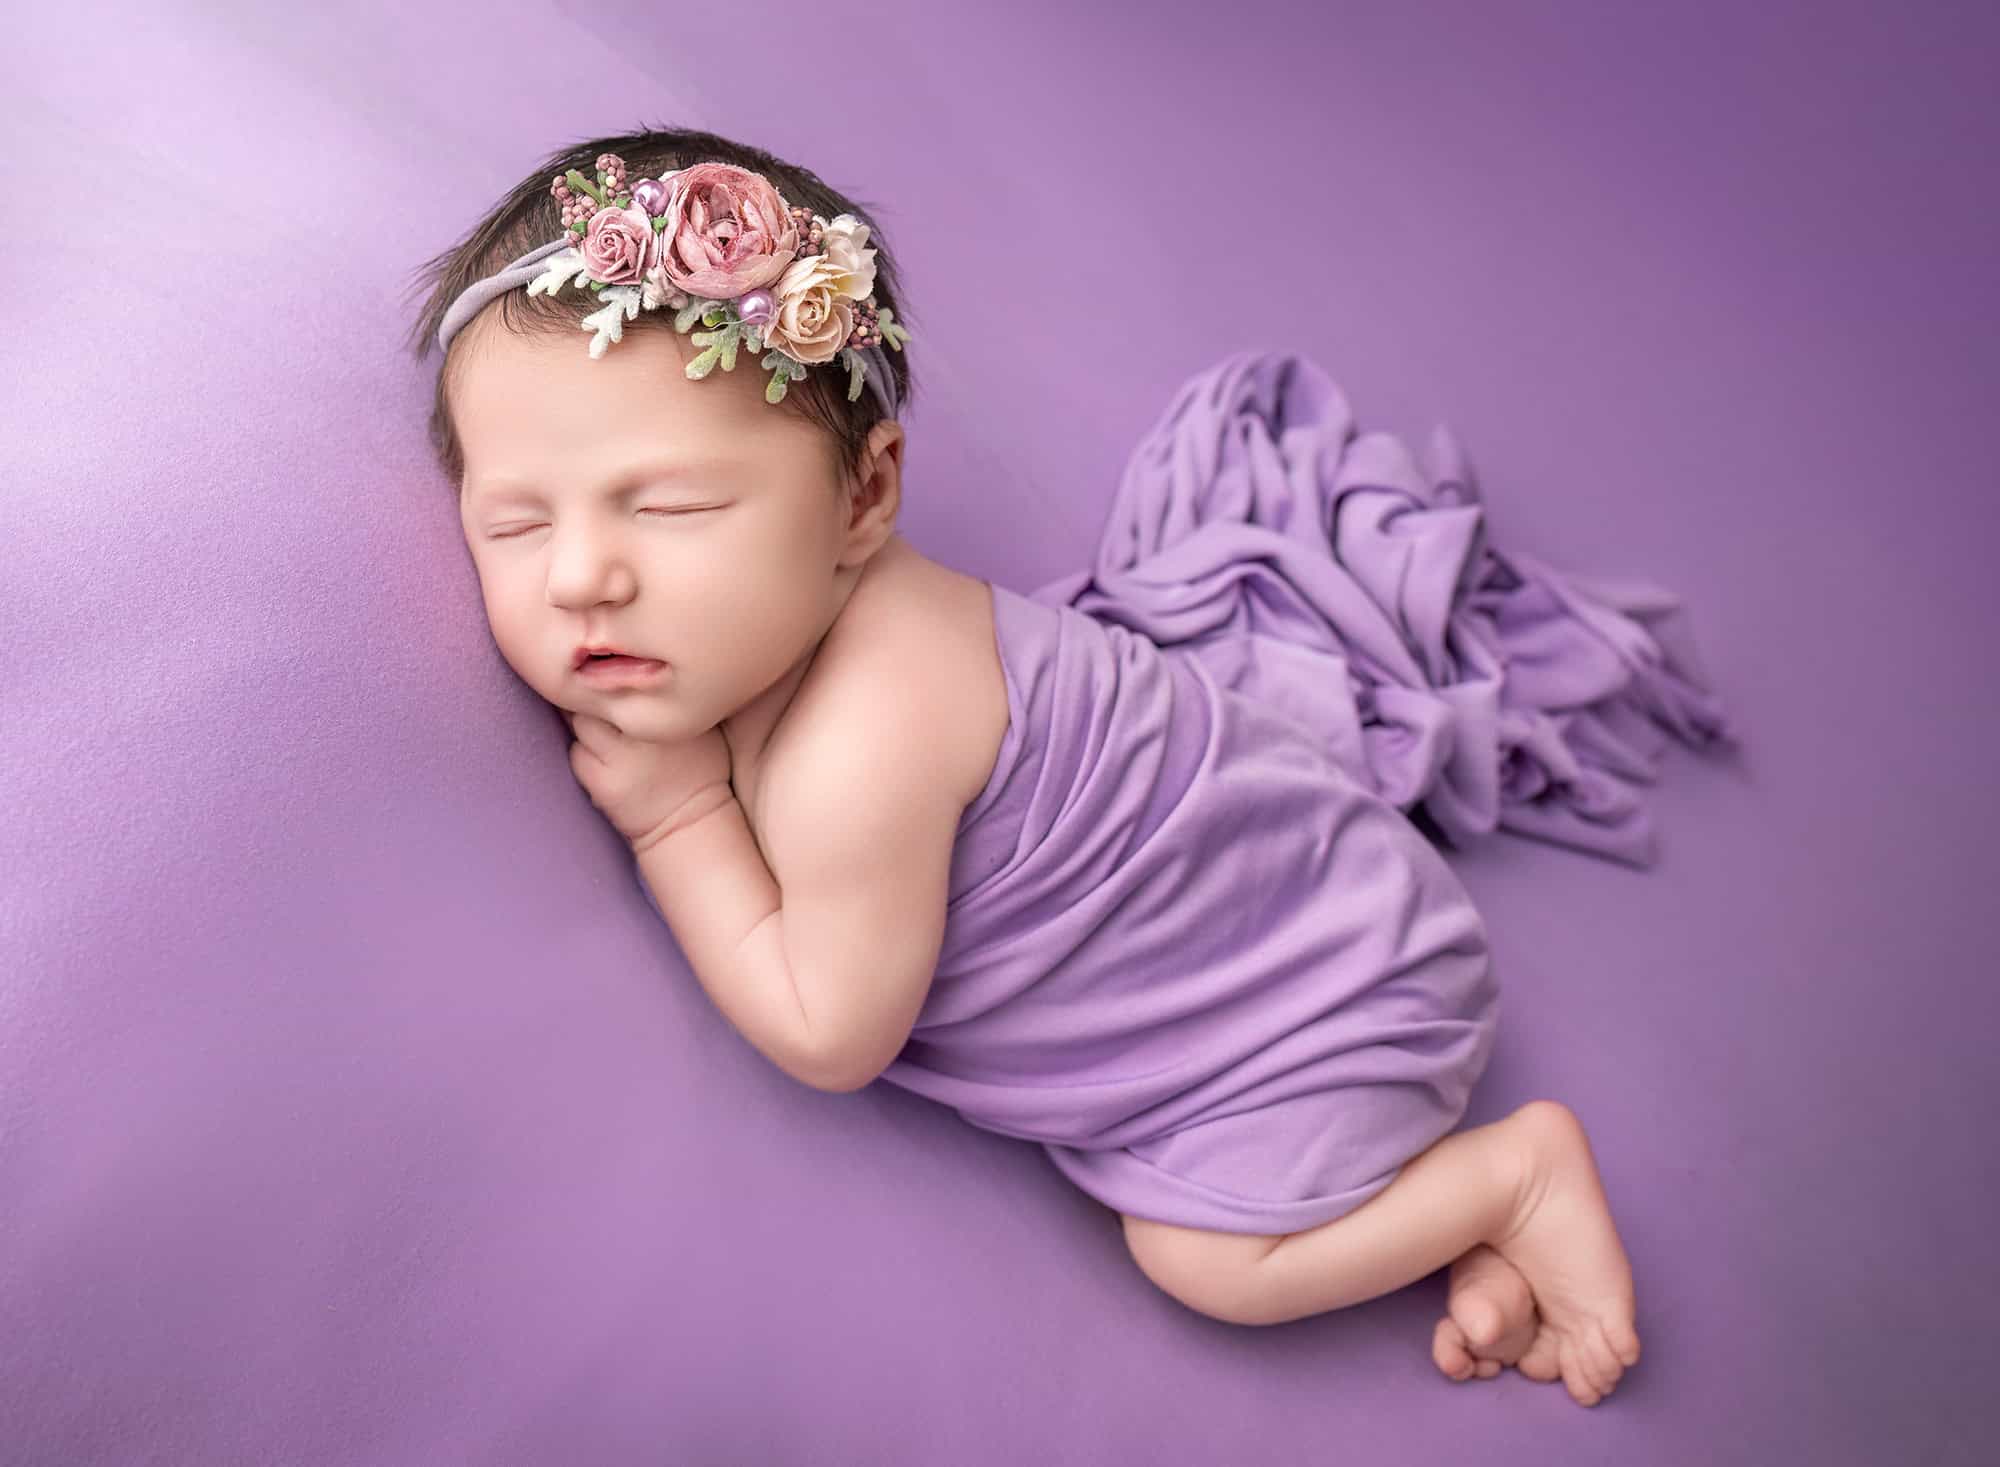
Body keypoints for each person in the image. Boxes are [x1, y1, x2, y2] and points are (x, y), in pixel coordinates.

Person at [405, 125, 1651, 1408]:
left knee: (1207, 1261)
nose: (580, 577)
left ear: (863, 499)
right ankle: (1439, 1216)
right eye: (514, 521)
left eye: (670, 508)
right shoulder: (772, 634)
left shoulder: (868, 739)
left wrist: (678, 824)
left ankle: (1512, 1178)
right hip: (1306, 895)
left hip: (1314, 1004)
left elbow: (829, 1032)